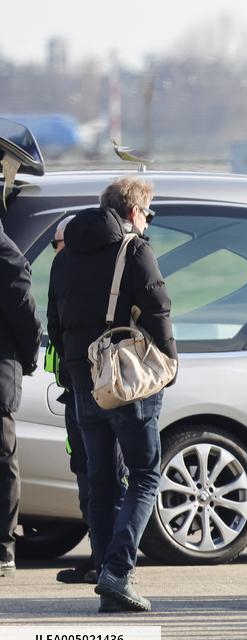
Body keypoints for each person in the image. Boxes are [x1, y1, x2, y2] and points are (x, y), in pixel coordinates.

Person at [48, 175, 176, 612]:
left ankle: (106, 571)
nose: (148, 222)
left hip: (83, 381)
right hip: (127, 380)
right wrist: (170, 366)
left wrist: (74, 376)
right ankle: (119, 572)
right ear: (135, 212)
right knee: (144, 474)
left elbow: (55, 321)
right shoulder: (135, 250)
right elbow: (159, 311)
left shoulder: (65, 257)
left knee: (101, 481)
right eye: (147, 214)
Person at [45, 218, 127, 585]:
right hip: (76, 390)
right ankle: (102, 558)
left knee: (108, 477)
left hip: (98, 388)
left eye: (57, 242)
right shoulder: (70, 270)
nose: (58, 249)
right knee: (91, 475)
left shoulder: (77, 269)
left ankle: (112, 562)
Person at [0, 210, 42, 578]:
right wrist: (28, 361)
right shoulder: (7, 257)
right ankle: (3, 549)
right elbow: (26, 317)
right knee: (4, 461)